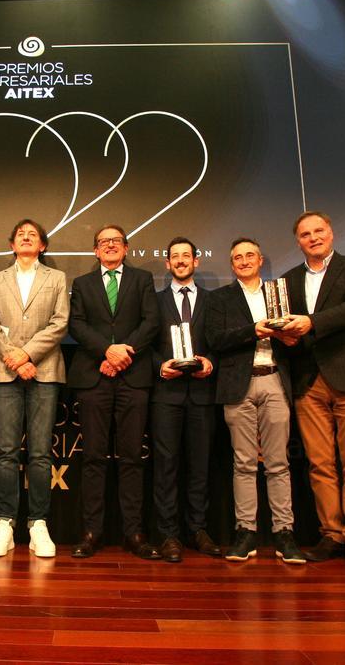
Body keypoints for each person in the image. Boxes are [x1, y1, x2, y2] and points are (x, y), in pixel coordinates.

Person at [279, 211, 345, 569]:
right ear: (298, 241)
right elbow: (287, 325)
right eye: (305, 234)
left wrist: (310, 323)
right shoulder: (288, 279)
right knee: (319, 464)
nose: (313, 237)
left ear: (331, 233)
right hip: (309, 380)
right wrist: (287, 335)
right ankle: (331, 534)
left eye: (318, 231)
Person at [206, 238, 303, 563]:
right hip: (239, 385)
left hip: (276, 379)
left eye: (250, 255)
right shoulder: (221, 298)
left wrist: (290, 336)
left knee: (278, 462)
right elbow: (215, 339)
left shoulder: (280, 293)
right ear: (232, 265)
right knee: (244, 463)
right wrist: (255, 330)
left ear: (260, 259)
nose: (244, 261)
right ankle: (245, 532)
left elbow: (298, 336)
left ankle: (283, 533)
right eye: (238, 257)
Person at [67, 225, 161, 560]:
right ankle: (92, 532)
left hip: (133, 377)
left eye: (115, 241)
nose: (109, 245)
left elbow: (152, 322)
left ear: (126, 247)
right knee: (92, 457)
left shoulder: (143, 279)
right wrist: (106, 352)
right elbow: (76, 324)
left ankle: (133, 532)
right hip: (94, 377)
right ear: (95, 251)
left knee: (132, 458)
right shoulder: (82, 284)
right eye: (103, 242)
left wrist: (122, 354)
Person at [0, 219, 69, 558]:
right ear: (12, 244)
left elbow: (60, 322)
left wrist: (28, 354)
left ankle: (38, 523)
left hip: (44, 370)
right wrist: (14, 358)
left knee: (40, 452)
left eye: (33, 235)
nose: (26, 237)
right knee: (5, 451)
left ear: (42, 246)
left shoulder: (57, 278)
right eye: (20, 234)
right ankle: (4, 522)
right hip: (5, 372)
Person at [151, 236, 220, 562]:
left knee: (200, 465)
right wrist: (159, 366)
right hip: (167, 394)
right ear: (167, 264)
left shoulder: (213, 300)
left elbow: (220, 341)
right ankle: (168, 535)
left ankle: (198, 529)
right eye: (174, 256)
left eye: (186, 256)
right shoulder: (154, 300)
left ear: (196, 261)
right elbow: (145, 345)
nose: (180, 261)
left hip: (203, 394)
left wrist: (212, 362)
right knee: (165, 467)